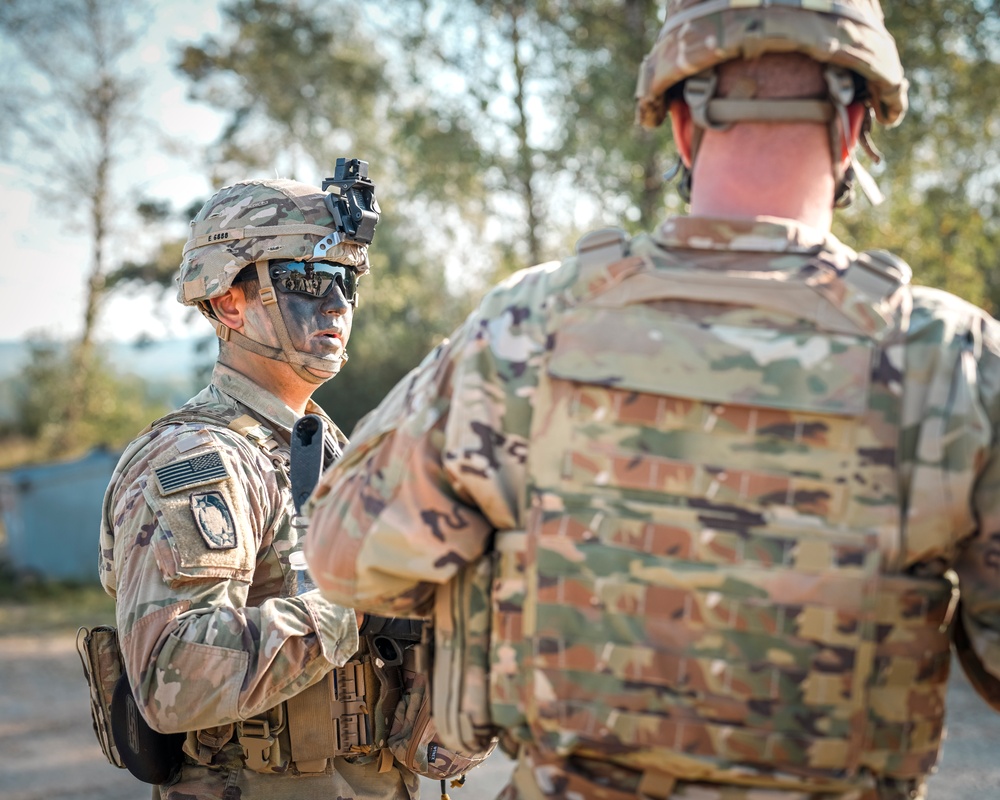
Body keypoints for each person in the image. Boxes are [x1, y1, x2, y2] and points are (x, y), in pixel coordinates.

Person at [304, 2, 1000, 799]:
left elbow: (345, 560)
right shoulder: (954, 362)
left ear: (678, 121)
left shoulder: (529, 325)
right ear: (854, 126)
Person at [98, 177, 419, 800]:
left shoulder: (332, 449)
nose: (334, 303)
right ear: (228, 302)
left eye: (345, 280)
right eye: (304, 276)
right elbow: (176, 678)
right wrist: (355, 604)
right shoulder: (198, 459)